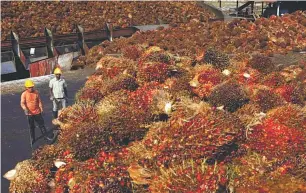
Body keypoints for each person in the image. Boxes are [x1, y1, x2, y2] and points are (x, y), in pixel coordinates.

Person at [21, 80, 50, 145]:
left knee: (42, 125)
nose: (31, 88)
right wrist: (25, 109)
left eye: (32, 87)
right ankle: (32, 139)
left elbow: (39, 101)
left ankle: (45, 136)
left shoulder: (36, 92)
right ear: (26, 88)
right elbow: (22, 103)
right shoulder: (24, 94)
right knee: (31, 127)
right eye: (29, 87)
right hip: (29, 114)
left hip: (37, 112)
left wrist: (41, 109)